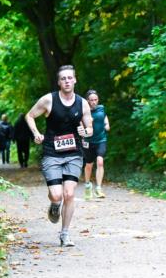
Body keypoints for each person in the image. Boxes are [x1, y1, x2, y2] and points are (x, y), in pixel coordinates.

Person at [24, 65, 93, 247]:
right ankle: (55, 205)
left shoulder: (83, 103)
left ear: (75, 80)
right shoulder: (49, 100)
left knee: (69, 194)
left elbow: (90, 130)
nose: (67, 81)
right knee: (57, 195)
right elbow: (30, 116)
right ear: (58, 82)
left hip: (74, 154)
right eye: (63, 78)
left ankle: (64, 233)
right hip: (52, 153)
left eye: (70, 78)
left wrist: (84, 131)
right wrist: (36, 133)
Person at [81, 89, 110, 199]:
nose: (94, 102)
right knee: (89, 165)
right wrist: (83, 132)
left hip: (101, 140)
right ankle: (88, 186)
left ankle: (98, 188)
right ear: (87, 101)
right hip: (88, 141)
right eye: (91, 100)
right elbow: (79, 124)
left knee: (100, 161)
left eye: (95, 100)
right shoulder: (84, 111)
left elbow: (105, 116)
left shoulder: (101, 108)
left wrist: (107, 124)